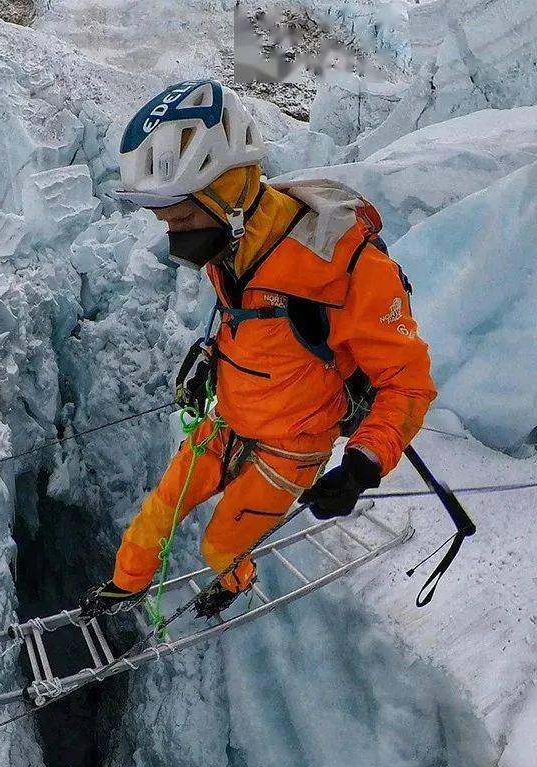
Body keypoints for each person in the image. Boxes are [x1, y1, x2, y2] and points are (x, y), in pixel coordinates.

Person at [82, 79, 436, 621]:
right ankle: (126, 586)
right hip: (231, 421)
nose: (171, 232)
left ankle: (236, 578)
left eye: (178, 217)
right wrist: (211, 361)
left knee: (219, 545)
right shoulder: (236, 239)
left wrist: (362, 466)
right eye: (164, 218)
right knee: (154, 518)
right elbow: (258, 330)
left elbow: (407, 384)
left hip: (291, 449)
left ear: (228, 189)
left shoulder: (342, 263)